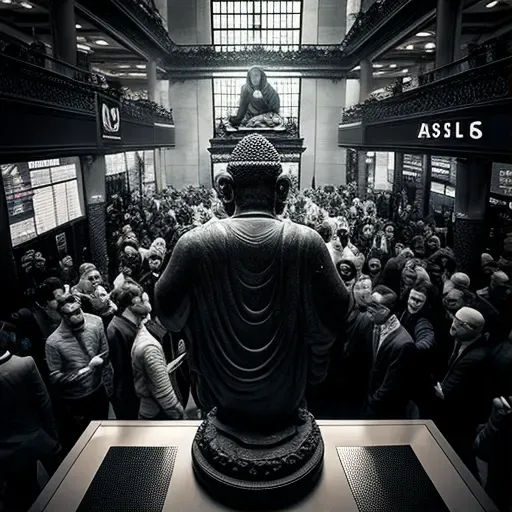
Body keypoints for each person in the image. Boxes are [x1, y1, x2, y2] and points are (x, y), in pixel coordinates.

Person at [0, 321, 61, 512]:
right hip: (38, 436)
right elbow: (44, 402)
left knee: (28, 496)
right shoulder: (25, 363)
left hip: (8, 449)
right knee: (63, 480)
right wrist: (53, 437)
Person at [45, 294, 113, 451]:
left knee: (105, 433)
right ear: (62, 316)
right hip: (77, 399)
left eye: (78, 311)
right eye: (70, 315)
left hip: (99, 389)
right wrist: (87, 370)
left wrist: (108, 385)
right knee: (86, 443)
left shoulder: (96, 322)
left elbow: (105, 353)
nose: (76, 317)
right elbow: (55, 378)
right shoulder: (53, 342)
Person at [433, 307, 491, 477]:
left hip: (459, 421)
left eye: (459, 323)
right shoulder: (460, 340)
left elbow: (446, 393)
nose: (453, 325)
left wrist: (443, 391)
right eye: (454, 319)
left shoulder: (477, 357)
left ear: (474, 330)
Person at [363, 285, 417, 419]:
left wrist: (370, 408)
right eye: (369, 304)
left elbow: (389, 387)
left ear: (387, 311)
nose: (369, 310)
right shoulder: (375, 325)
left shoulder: (404, 344)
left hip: (383, 413)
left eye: (375, 307)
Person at [130, 289, 184, 420]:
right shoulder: (150, 348)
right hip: (157, 415)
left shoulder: (147, 332)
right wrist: (183, 417)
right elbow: (165, 397)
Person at [107, 279, 149, 420]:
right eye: (141, 301)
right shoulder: (115, 330)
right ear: (131, 304)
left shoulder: (133, 323)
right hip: (129, 394)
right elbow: (123, 369)